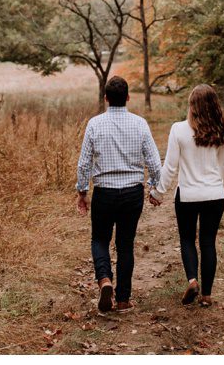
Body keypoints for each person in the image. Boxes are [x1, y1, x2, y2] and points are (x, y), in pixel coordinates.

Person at [75, 75, 162, 313]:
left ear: (106, 98)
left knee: (100, 239)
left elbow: (84, 163)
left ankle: (104, 279)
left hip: (104, 192)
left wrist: (82, 191)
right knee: (125, 244)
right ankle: (123, 299)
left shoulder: (95, 124)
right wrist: (153, 186)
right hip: (132, 193)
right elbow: (155, 163)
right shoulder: (140, 123)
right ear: (128, 98)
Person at [150, 84, 224, 307]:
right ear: (214, 106)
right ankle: (206, 296)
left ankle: (193, 281)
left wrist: (158, 192)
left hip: (187, 196)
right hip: (214, 195)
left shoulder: (178, 129)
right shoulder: (219, 130)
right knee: (208, 242)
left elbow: (170, 167)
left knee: (187, 239)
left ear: (192, 106)